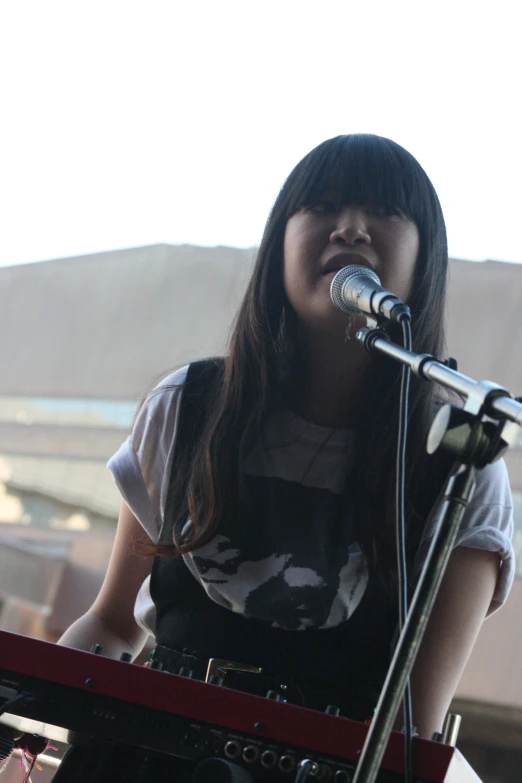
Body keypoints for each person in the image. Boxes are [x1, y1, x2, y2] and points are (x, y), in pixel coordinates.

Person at [58, 134, 514, 760]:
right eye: (322, 206)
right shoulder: (188, 408)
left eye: (384, 211)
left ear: (425, 257)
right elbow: (111, 627)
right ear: (279, 243)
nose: (350, 228)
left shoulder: (461, 465)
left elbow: (412, 735)